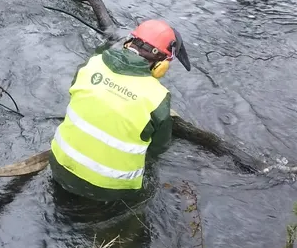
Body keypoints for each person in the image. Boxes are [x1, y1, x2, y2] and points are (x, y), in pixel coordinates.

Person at [49, 19, 192, 202]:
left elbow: (76, 92)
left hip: (59, 167)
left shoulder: (92, 65)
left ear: (128, 42)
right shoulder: (157, 97)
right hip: (109, 191)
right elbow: (158, 148)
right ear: (161, 64)